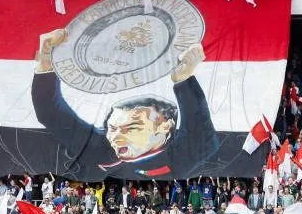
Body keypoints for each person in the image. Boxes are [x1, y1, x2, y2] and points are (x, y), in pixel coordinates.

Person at [32, 29, 217, 180]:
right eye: (112, 128)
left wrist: (184, 81)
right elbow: (51, 113)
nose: (116, 137)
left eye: (132, 128)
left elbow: (201, 134)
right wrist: (45, 63)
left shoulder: (180, 156)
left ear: (164, 126)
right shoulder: (101, 149)